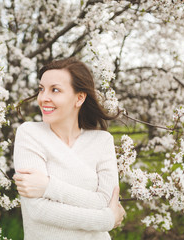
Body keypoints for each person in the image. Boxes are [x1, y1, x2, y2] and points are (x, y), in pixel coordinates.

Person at [13, 58, 125, 240]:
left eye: (54, 90)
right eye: (41, 89)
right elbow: (38, 210)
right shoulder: (29, 134)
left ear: (79, 97)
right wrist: (107, 220)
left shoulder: (102, 141)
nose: (43, 98)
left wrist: (48, 186)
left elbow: (105, 201)